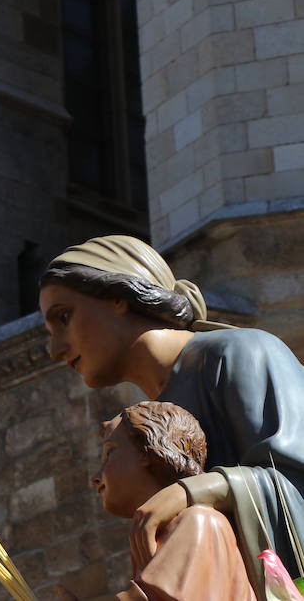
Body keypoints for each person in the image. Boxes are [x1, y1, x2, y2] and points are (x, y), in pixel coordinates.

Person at [40, 234, 304, 599]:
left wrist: (192, 493)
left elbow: (297, 483)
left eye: (64, 317)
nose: (55, 349)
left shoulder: (241, 353)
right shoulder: (151, 420)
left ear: (119, 297)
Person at [88, 401, 254, 600]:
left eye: (109, 453)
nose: (95, 477)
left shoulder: (197, 521)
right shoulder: (159, 535)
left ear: (146, 450)